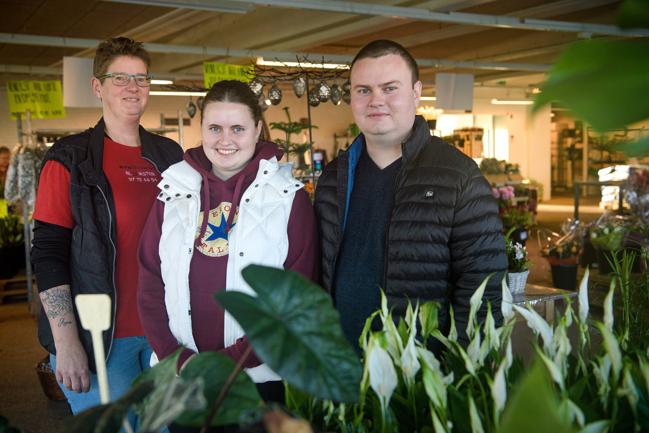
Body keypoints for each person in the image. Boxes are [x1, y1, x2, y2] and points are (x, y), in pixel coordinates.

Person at [137, 80, 317, 432]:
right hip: (181, 376)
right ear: (201, 128)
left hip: (255, 379)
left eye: (238, 128)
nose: (225, 140)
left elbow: (295, 300)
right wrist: (178, 359)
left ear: (257, 129)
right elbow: (148, 280)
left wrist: (230, 363)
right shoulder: (172, 191)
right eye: (215, 128)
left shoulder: (288, 199)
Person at [315, 40, 506, 352]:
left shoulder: (458, 176)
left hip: (418, 375)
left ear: (416, 92)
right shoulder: (333, 177)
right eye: (363, 90)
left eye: (390, 88)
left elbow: (482, 292)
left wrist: (461, 375)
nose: (375, 100)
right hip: (341, 369)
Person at [30, 37, 183, 422]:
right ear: (97, 86)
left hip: (166, 332)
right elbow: (48, 252)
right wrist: (66, 343)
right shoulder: (70, 158)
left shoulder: (170, 155)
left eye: (142, 78)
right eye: (121, 78)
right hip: (101, 339)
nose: (133, 88)